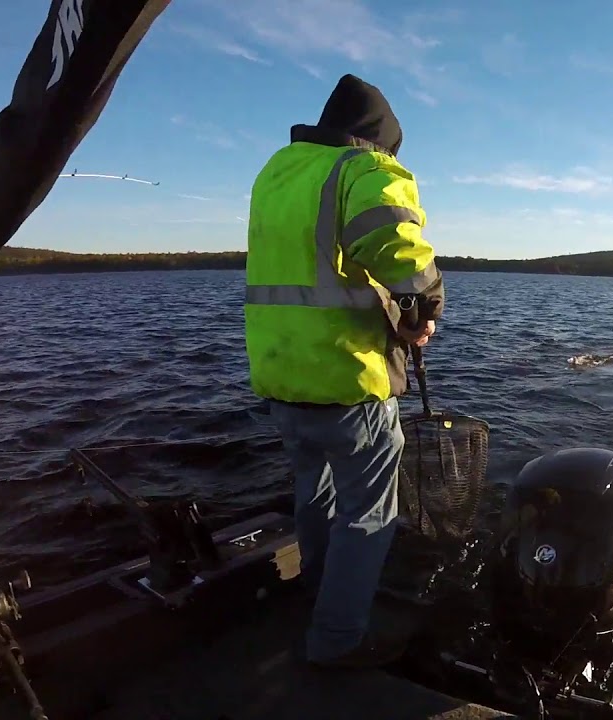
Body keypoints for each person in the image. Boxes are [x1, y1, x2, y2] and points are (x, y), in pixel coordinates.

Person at [243, 73, 443, 669]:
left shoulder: (278, 173)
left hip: (283, 380)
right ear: (376, 140)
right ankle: (337, 643)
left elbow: (324, 265)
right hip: (348, 382)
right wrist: (427, 305)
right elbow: (398, 247)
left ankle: (317, 595)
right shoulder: (363, 169)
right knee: (370, 515)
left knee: (315, 493)